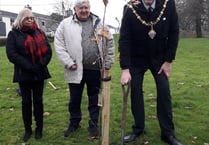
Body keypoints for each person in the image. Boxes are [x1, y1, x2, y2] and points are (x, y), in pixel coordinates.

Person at [119, 0, 183, 145]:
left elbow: (174, 32)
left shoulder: (168, 4)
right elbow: (124, 39)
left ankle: (168, 133)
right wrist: (125, 68)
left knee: (164, 92)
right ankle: (138, 128)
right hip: (136, 58)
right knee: (135, 91)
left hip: (159, 59)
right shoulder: (130, 8)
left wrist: (168, 61)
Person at [54, 0, 114, 138]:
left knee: (94, 98)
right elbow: (59, 44)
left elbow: (110, 42)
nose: (84, 10)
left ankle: (93, 125)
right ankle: (74, 123)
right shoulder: (65, 24)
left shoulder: (99, 23)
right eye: (80, 8)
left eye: (86, 7)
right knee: (74, 99)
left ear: (89, 8)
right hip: (75, 69)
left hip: (95, 69)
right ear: (75, 9)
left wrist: (107, 62)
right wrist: (69, 63)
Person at [6, 8, 52, 142]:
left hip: (39, 73)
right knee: (26, 102)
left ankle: (39, 129)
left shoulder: (40, 32)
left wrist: (40, 65)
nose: (30, 20)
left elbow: (48, 52)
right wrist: (29, 66)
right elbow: (12, 54)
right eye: (27, 18)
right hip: (24, 74)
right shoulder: (13, 34)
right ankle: (28, 129)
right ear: (21, 19)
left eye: (32, 18)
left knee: (38, 101)